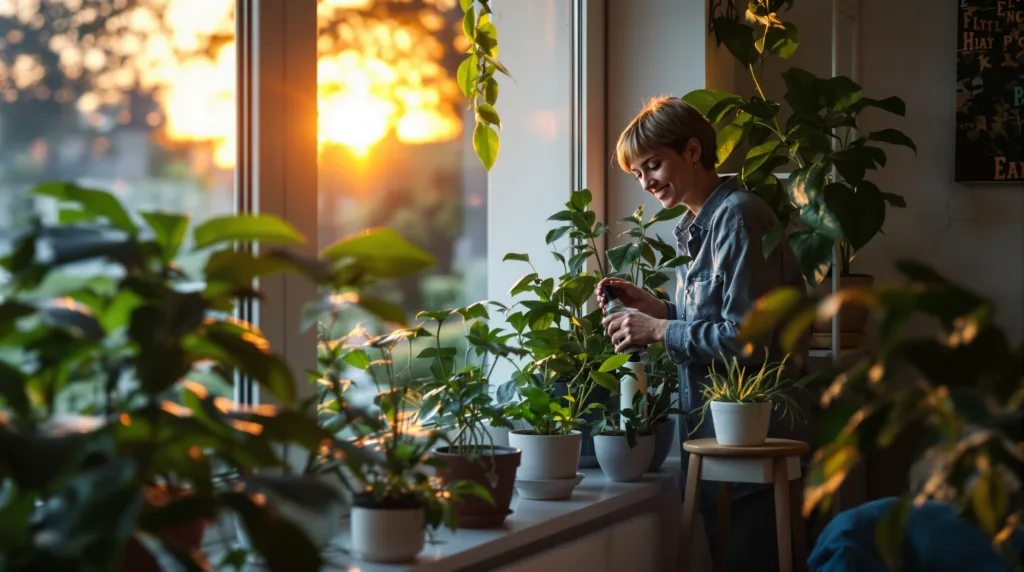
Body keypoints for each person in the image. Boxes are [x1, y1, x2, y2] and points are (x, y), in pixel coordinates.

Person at [596, 96, 809, 572]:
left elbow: (746, 341)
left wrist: (660, 329)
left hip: (754, 447)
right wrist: (660, 310)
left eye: (653, 165)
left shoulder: (738, 218)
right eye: (637, 174)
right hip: (722, 446)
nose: (646, 183)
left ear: (693, 151)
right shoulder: (703, 228)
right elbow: (723, 320)